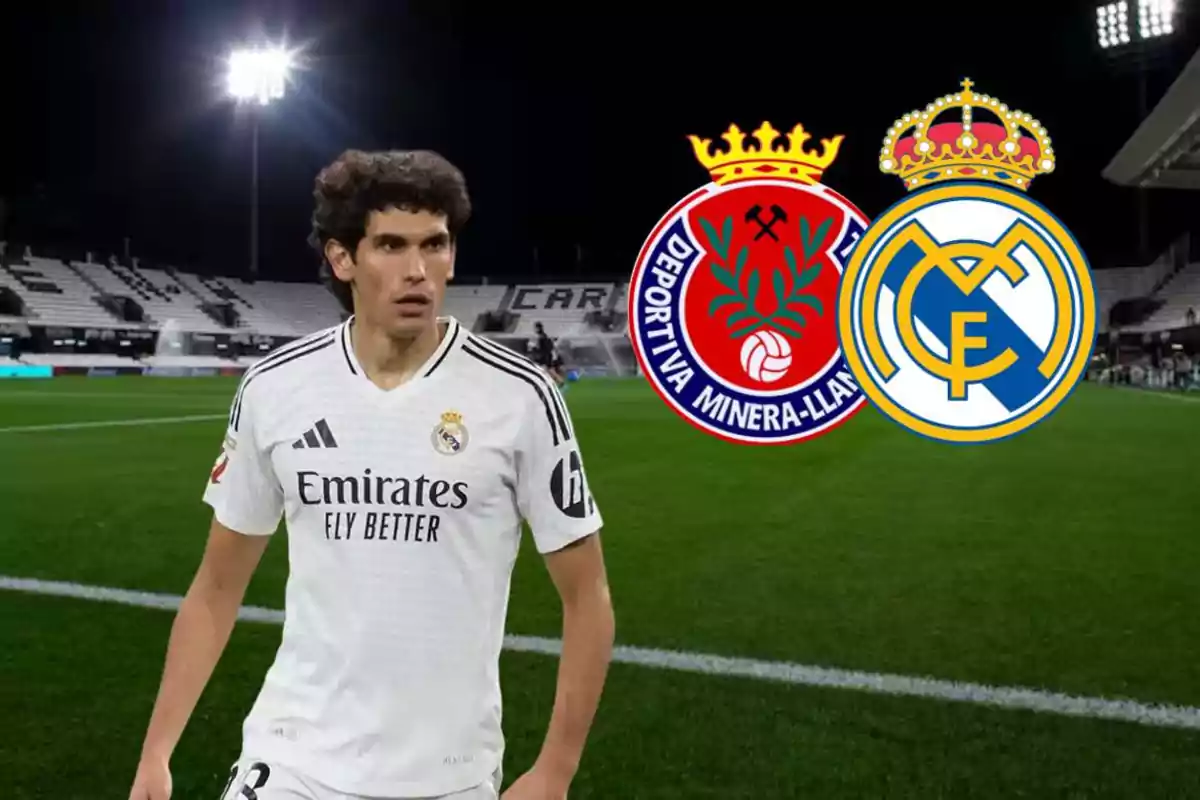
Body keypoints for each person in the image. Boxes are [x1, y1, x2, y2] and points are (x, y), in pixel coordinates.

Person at [128, 149, 615, 800]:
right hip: (289, 760)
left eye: (435, 244)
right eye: (390, 244)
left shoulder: (521, 396)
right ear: (342, 258)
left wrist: (554, 772)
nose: (418, 270)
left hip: (446, 776)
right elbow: (217, 587)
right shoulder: (276, 387)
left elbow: (588, 599)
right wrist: (156, 752)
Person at [529, 322, 566, 388]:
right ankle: (558, 381)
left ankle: (559, 382)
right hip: (547, 356)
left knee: (548, 370)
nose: (534, 329)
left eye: (535, 328)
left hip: (546, 356)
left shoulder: (542, 337)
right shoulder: (544, 336)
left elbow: (544, 348)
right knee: (549, 370)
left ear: (538, 328)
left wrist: (534, 348)